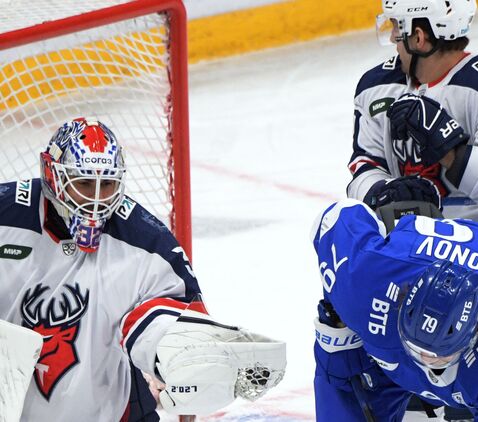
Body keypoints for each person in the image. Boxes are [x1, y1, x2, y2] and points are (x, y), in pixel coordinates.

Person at [0, 118, 286, 421]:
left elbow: (178, 326)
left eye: (106, 184)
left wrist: (184, 365)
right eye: (84, 183)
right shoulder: (6, 215)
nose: (96, 201)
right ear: (52, 175)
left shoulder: (148, 243)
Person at [346, 0, 478, 306]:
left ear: (419, 37)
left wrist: (453, 152)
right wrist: (382, 192)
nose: (391, 40)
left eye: (396, 30)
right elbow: (364, 165)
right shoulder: (375, 88)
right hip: (416, 267)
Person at [312, 198, 478, 421]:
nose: (425, 360)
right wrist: (339, 312)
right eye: (416, 350)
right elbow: (334, 217)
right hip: (394, 299)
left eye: (438, 356)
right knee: (339, 351)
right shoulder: (367, 280)